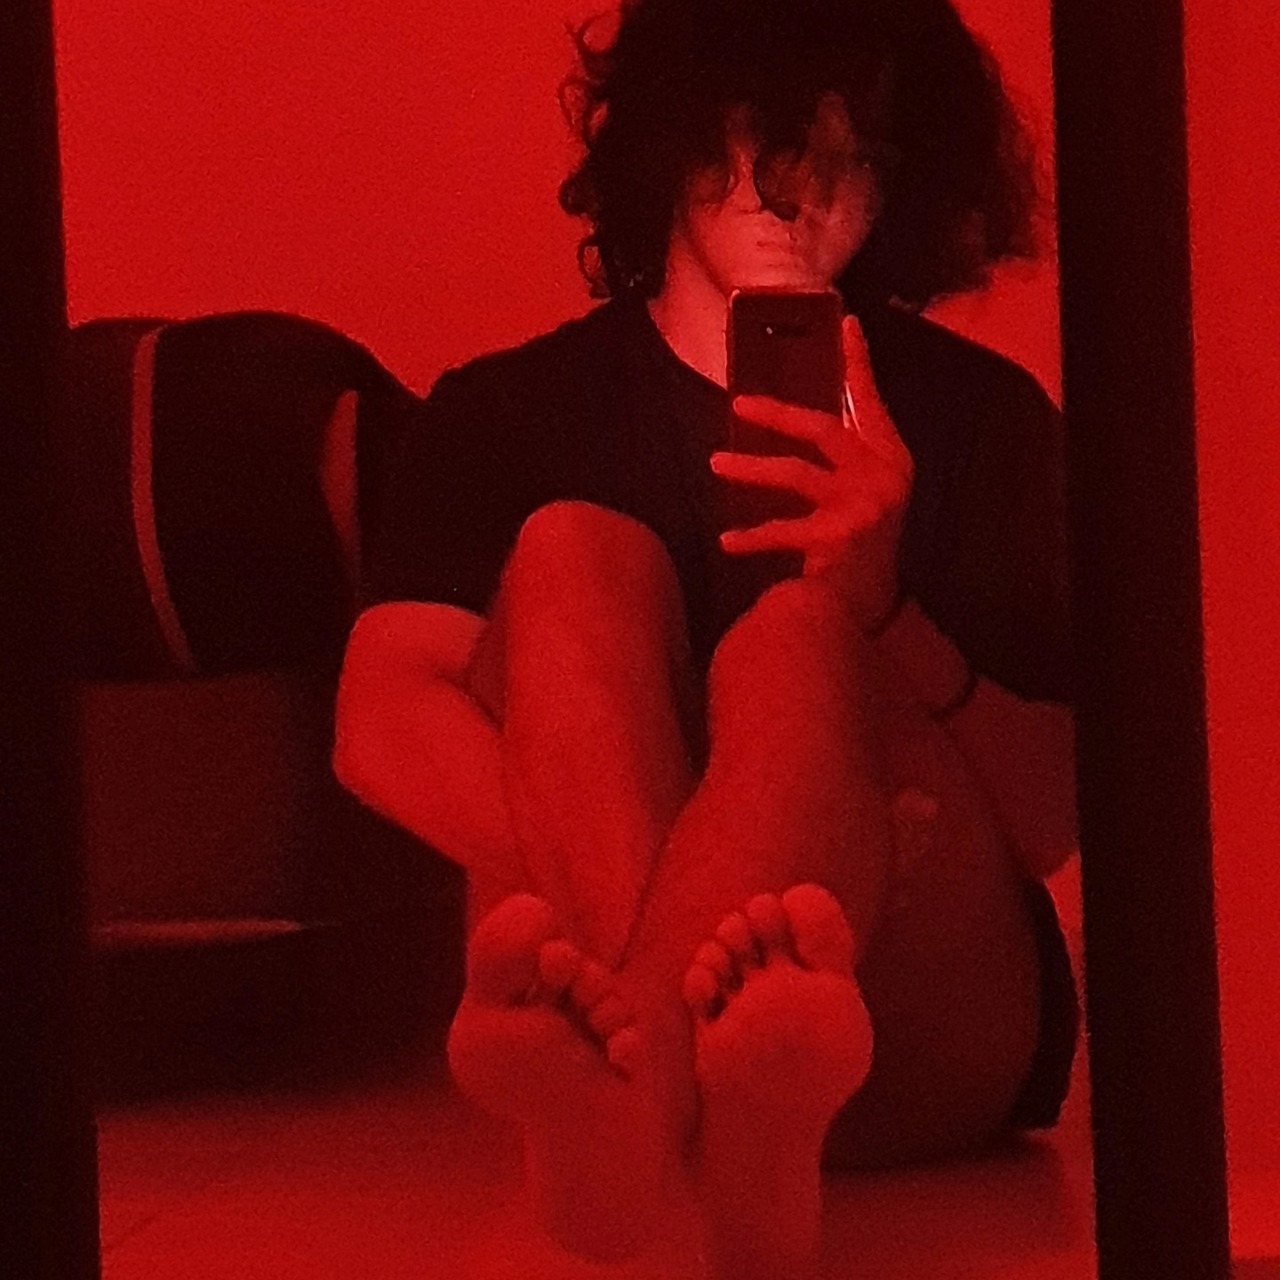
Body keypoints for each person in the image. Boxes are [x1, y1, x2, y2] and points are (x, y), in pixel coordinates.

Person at [334, 1, 1081, 1276]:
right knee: (569, 549)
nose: (798, 195)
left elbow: (1055, 819)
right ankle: (725, 1140)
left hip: (917, 992)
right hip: (754, 1008)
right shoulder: (509, 412)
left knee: (795, 632)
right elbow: (379, 724)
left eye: (850, 158)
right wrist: (693, 875)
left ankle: (630, 1114)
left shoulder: (978, 420)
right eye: (763, 137)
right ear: (674, 138)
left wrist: (879, 606)